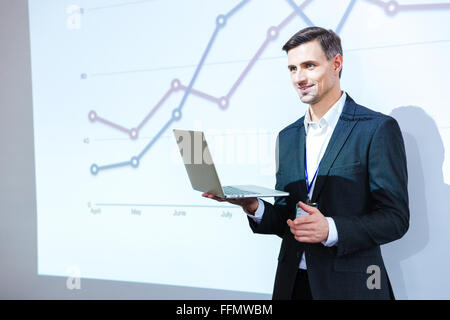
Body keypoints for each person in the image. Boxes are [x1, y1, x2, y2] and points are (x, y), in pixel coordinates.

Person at [202, 26, 409, 300]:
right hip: (292, 284)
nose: (299, 77)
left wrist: (332, 229)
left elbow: (395, 219)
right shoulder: (288, 137)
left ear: (336, 64)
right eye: (292, 69)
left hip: (349, 288)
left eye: (309, 66)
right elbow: (288, 218)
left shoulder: (376, 129)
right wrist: (253, 206)